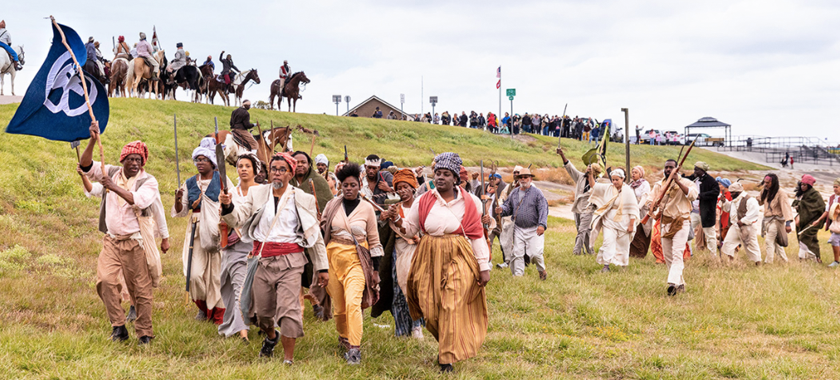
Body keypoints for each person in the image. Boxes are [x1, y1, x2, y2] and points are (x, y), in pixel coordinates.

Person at [221, 153, 328, 362]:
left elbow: (314, 235)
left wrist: (322, 268)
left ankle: (288, 360)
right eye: (273, 169)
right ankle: (271, 337)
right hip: (262, 260)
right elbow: (238, 218)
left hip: (291, 261)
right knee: (263, 314)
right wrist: (228, 206)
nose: (277, 173)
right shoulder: (257, 193)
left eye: (281, 169)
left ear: (290, 172)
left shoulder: (302, 198)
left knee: (289, 311)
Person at [396, 152, 492, 373]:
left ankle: (446, 359)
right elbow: (410, 230)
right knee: (430, 308)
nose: (440, 178)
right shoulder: (423, 200)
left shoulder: (471, 202)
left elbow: (477, 235)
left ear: (455, 177)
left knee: (451, 303)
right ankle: (450, 342)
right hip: (428, 253)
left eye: (446, 174)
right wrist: (396, 220)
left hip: (458, 252)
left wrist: (483, 266)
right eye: (437, 173)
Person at [80, 122, 169, 344]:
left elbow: (137, 201)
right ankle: (118, 327)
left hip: (135, 242)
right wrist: (92, 140)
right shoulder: (109, 171)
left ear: (143, 163)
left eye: (138, 160)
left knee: (140, 290)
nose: (134, 163)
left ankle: (144, 333)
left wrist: (112, 186)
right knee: (106, 281)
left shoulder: (148, 182)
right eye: (130, 159)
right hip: (111, 241)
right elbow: (86, 165)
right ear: (123, 160)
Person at [318, 162, 383, 365]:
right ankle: (344, 336)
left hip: (356, 260)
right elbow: (322, 232)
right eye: (345, 185)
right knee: (339, 308)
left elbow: (374, 241)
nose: (349, 188)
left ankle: (355, 348)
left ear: (359, 184)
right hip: (332, 259)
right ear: (340, 186)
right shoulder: (332, 205)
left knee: (353, 303)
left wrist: (375, 270)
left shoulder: (367, 208)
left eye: (353, 185)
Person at [173, 137, 235, 324]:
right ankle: (202, 306)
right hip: (196, 232)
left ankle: (218, 313)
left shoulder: (223, 180)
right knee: (195, 274)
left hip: (217, 231)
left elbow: (233, 204)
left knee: (216, 275)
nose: (200, 163)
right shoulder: (190, 182)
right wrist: (178, 199)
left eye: (204, 159)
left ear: (212, 162)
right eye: (197, 159)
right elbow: (181, 211)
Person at [217, 154, 261, 341]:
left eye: (247, 166)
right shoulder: (230, 193)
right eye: (240, 166)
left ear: (254, 170)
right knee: (239, 287)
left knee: (259, 290)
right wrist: (225, 207)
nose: (243, 169)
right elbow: (223, 217)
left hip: (258, 247)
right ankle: (242, 332)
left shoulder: (262, 192)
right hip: (236, 246)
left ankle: (263, 323)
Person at [378, 169, 425, 339]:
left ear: (413, 187)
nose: (403, 191)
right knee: (398, 291)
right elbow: (384, 231)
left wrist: (419, 239)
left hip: (419, 251)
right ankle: (401, 330)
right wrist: (383, 218)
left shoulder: (421, 205)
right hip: (398, 251)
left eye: (406, 187)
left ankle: (417, 326)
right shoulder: (394, 207)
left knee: (415, 289)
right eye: (399, 188)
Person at [648, 159, 698, 296]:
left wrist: (678, 182)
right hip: (665, 222)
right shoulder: (660, 184)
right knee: (668, 255)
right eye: (666, 167)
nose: (668, 170)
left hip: (681, 222)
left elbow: (693, 196)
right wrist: (652, 205)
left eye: (671, 167)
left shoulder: (687, 182)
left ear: (677, 169)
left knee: (677, 254)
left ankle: (672, 283)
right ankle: (680, 283)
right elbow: (650, 199)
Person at [496, 168, 548, 279]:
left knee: (536, 253)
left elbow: (543, 209)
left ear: (530, 178)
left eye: (525, 177)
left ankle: (541, 269)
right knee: (517, 253)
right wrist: (501, 209)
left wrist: (542, 224)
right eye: (521, 177)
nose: (523, 179)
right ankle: (518, 277)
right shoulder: (514, 192)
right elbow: (508, 206)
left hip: (534, 228)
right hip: (519, 228)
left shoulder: (537, 193)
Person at [590, 169, 639, 272]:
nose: (614, 182)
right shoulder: (608, 188)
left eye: (617, 180)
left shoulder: (628, 191)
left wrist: (631, 224)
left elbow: (633, 209)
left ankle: (622, 265)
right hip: (609, 220)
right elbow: (594, 186)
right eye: (613, 180)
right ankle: (606, 266)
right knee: (608, 242)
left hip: (624, 221)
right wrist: (590, 174)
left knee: (623, 244)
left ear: (622, 179)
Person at [559, 148, 601, 255]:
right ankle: (590, 250)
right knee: (583, 231)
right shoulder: (580, 177)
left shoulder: (597, 185)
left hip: (588, 210)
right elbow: (570, 168)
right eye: (588, 168)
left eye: (590, 170)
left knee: (582, 231)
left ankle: (576, 252)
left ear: (594, 173)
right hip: (577, 208)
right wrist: (562, 155)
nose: (587, 170)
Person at [719, 182, 762, 265]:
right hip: (735, 226)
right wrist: (724, 202)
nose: (731, 194)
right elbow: (728, 209)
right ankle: (731, 262)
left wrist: (743, 221)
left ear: (738, 192)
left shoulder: (750, 200)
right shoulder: (735, 200)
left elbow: (754, 213)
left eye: (732, 193)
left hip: (748, 227)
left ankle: (758, 264)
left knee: (751, 246)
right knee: (728, 243)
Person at [684, 161, 719, 257]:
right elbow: (684, 180)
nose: (694, 171)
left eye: (696, 169)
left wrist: (701, 196)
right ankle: (688, 253)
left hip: (706, 213)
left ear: (702, 170)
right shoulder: (693, 178)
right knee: (687, 233)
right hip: (693, 212)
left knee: (710, 236)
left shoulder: (711, 181)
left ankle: (713, 257)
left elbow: (715, 192)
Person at [759, 173, 793, 264]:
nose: (765, 184)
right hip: (767, 220)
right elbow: (759, 202)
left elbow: (786, 208)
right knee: (775, 242)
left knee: (768, 241)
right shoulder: (765, 191)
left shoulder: (781, 193)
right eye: (765, 182)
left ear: (773, 183)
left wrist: (788, 224)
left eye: (768, 183)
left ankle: (768, 262)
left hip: (776, 220)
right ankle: (784, 260)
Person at [796, 174, 825, 262]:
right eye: (801, 184)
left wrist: (818, 221)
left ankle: (804, 257)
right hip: (804, 220)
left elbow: (822, 208)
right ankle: (814, 258)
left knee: (804, 237)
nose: (802, 186)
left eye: (804, 185)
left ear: (809, 185)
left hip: (815, 220)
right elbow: (801, 206)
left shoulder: (815, 195)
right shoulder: (802, 194)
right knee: (811, 239)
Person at [629, 166, 652, 258]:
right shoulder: (630, 184)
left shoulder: (644, 184)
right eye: (633, 172)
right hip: (632, 210)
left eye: (636, 172)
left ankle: (641, 253)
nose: (633, 174)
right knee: (633, 231)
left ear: (640, 174)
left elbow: (645, 196)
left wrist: (638, 207)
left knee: (641, 231)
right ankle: (632, 253)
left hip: (642, 210)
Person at [819, 179, 840, 266]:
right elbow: (827, 211)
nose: (835, 189)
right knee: (835, 241)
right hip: (835, 224)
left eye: (837, 187)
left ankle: (836, 261)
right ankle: (836, 261)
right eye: (834, 187)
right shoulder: (831, 198)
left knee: (835, 241)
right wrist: (819, 220)